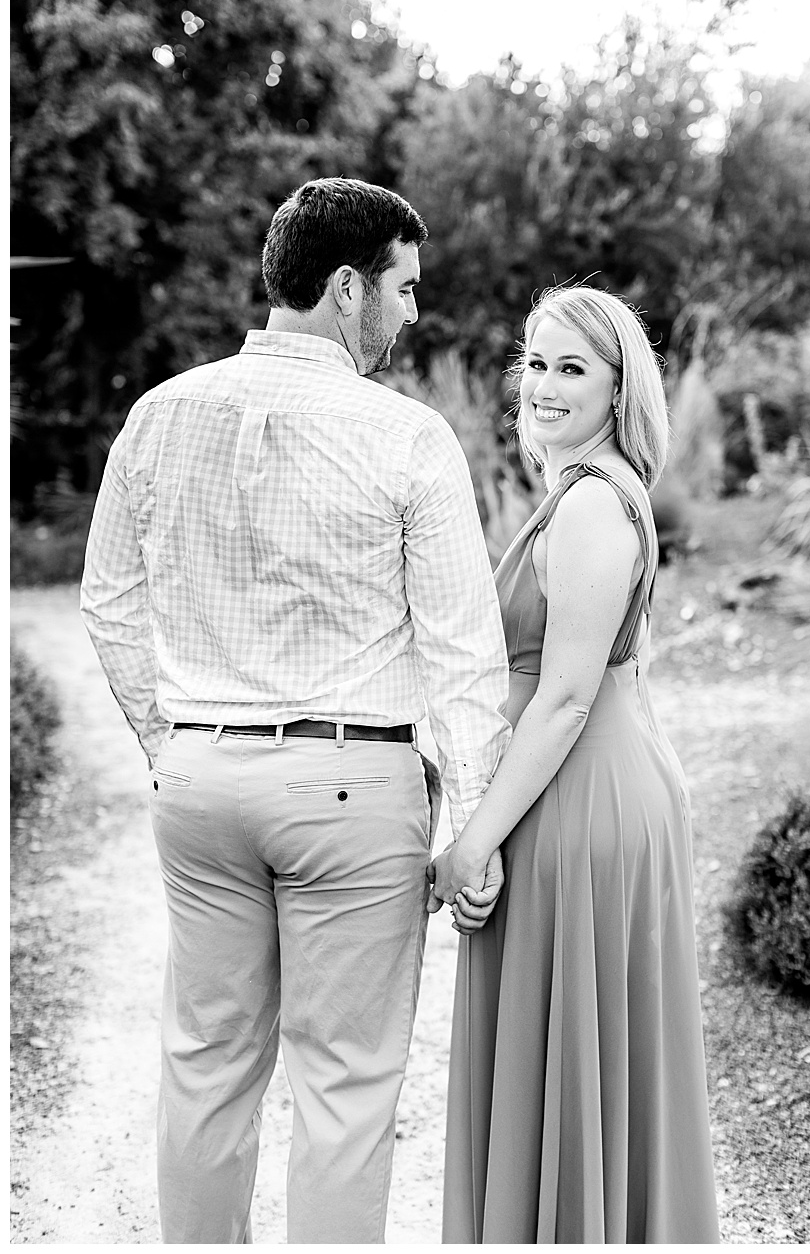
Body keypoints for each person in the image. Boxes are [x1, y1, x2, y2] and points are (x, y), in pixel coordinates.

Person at [80, 177, 512, 1243]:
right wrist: (476, 825)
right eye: (406, 291)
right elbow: (463, 658)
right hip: (350, 789)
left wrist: (166, 739)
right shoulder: (408, 439)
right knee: (347, 1087)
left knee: (205, 1065)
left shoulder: (159, 413)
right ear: (350, 288)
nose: (414, 315)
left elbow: (107, 602)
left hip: (200, 782)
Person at [434, 284, 720, 1243]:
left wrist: (473, 840)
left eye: (572, 369)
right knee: (564, 1061)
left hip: (584, 800)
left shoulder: (595, 505)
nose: (544, 386)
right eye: (536, 363)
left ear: (615, 390)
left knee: (576, 1059)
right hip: (569, 787)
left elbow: (564, 700)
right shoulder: (571, 495)